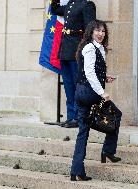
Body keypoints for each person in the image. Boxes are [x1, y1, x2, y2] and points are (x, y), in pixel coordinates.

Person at [70, 20, 122, 181]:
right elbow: (90, 74)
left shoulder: (96, 48)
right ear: (91, 32)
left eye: (103, 31)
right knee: (116, 115)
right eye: (97, 31)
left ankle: (76, 170)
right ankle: (108, 150)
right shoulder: (90, 48)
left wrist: (105, 77)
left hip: (82, 92)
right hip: (89, 93)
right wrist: (102, 92)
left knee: (83, 131)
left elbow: (92, 72)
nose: (100, 34)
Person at [51, 0, 96, 128]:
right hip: (64, 50)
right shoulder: (70, 4)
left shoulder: (87, 5)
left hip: (77, 50)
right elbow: (55, 10)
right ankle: (71, 116)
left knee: (78, 85)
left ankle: (78, 117)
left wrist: (85, 51)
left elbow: (89, 30)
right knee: (68, 85)